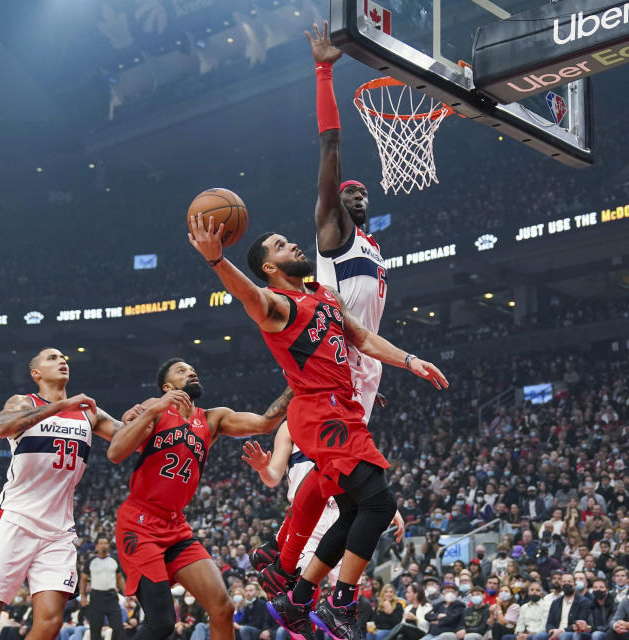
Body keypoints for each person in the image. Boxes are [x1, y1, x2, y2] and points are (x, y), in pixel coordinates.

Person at [188, 190, 446, 640]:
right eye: (283, 246)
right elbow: (247, 295)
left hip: (338, 407)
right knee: (380, 504)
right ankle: (340, 601)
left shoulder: (322, 294)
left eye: (291, 241)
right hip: (321, 415)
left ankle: (298, 596)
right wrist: (217, 262)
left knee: (352, 512)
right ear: (270, 267)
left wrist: (409, 361)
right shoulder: (276, 306)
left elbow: (363, 339)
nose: (295, 246)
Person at [246, 14, 395, 601]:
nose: (351, 192)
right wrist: (323, 71)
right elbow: (330, 146)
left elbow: (360, 330)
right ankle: (295, 573)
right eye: (345, 189)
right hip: (334, 376)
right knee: (366, 498)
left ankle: (290, 572)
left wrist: (378, 369)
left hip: (354, 368)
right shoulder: (332, 235)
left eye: (361, 190)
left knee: (357, 496)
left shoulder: (375, 248)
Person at [107, 359, 292, 640]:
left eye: (192, 369)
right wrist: (155, 407)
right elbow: (115, 452)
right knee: (161, 623)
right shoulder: (154, 409)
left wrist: (296, 385)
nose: (191, 372)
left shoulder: (211, 419)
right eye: (181, 371)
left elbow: (265, 423)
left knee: (222, 608)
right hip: (140, 524)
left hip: (175, 527)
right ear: (167, 387)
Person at [0, 347, 128, 640]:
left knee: (50, 623)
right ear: (35, 373)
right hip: (15, 520)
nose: (62, 361)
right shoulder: (24, 402)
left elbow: (131, 438)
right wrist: (60, 406)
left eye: (64, 358)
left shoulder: (89, 413)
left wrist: (148, 413)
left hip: (59, 531)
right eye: (52, 358)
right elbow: (2, 427)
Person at [80, 536, 126, 640]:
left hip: (111, 597)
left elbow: (119, 578)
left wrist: (126, 592)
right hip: (96, 597)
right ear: (96, 546)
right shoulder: (90, 561)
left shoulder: (114, 560)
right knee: (95, 629)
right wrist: (83, 596)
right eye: (101, 543)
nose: (103, 545)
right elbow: (83, 579)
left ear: (108, 545)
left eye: (105, 543)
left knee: (118, 627)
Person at [534, 573, 593, 640]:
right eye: (564, 582)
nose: (566, 584)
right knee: (538, 636)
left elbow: (579, 623)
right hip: (555, 631)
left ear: (575, 585)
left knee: (564, 636)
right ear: (561, 585)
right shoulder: (555, 602)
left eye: (569, 582)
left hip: (571, 632)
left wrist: (561, 631)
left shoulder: (583, 601)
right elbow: (549, 623)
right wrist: (551, 631)